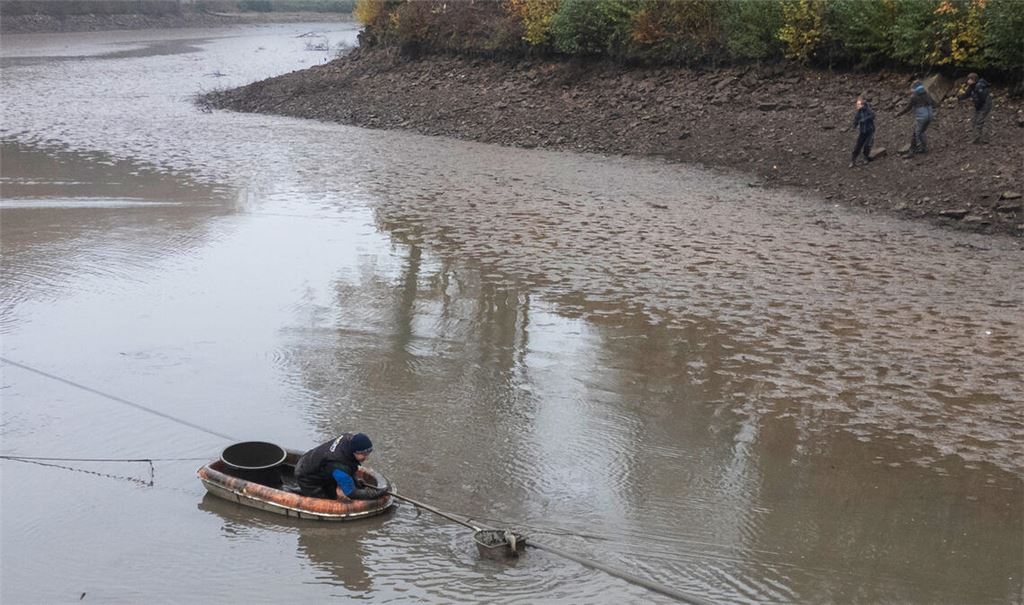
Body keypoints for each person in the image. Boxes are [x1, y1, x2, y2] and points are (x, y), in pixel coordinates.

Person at [294, 432, 388, 501]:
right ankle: (291, 491)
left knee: (332, 495)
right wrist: (375, 494)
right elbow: (352, 493)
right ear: (355, 451)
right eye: (363, 454)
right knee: (325, 501)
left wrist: (355, 480)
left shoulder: (347, 438)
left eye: (368, 453)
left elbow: (350, 464)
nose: (366, 458)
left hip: (316, 463)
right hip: (306, 475)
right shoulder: (338, 466)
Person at [896, 81, 935, 156]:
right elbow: (932, 103)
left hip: (922, 116)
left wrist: (899, 114)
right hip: (930, 115)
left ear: (915, 89)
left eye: (912, 88)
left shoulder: (914, 97)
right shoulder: (927, 94)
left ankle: (918, 148)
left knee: (917, 133)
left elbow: (908, 108)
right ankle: (923, 148)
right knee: (922, 131)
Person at [957, 73, 993, 144]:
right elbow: (967, 94)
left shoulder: (979, 87)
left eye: (970, 80)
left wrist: (979, 106)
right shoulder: (972, 86)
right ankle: (978, 137)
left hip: (984, 105)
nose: (968, 81)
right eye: (968, 79)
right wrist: (960, 97)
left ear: (974, 80)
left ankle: (977, 139)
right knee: (975, 120)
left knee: (980, 121)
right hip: (979, 105)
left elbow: (982, 98)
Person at [847, 94, 876, 168]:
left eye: (859, 102)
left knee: (867, 145)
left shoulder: (868, 108)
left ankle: (865, 157)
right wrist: (854, 125)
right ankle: (853, 160)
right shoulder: (859, 110)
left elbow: (873, 115)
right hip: (862, 131)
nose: (858, 104)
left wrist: (865, 119)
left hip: (870, 130)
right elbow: (856, 118)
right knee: (858, 145)